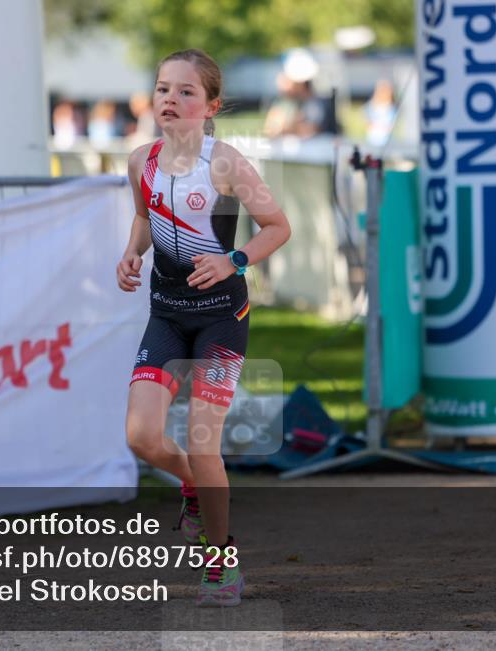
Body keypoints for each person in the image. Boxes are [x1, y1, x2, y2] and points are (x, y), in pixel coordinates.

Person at [116, 48, 291, 607]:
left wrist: (234, 261)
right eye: (164, 88)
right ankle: (192, 485)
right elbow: (145, 218)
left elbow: (277, 226)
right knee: (141, 437)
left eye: (186, 92)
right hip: (166, 313)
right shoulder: (140, 160)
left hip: (221, 319)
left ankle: (221, 565)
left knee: (203, 442)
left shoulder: (226, 163)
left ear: (210, 105)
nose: (171, 99)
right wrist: (131, 254)